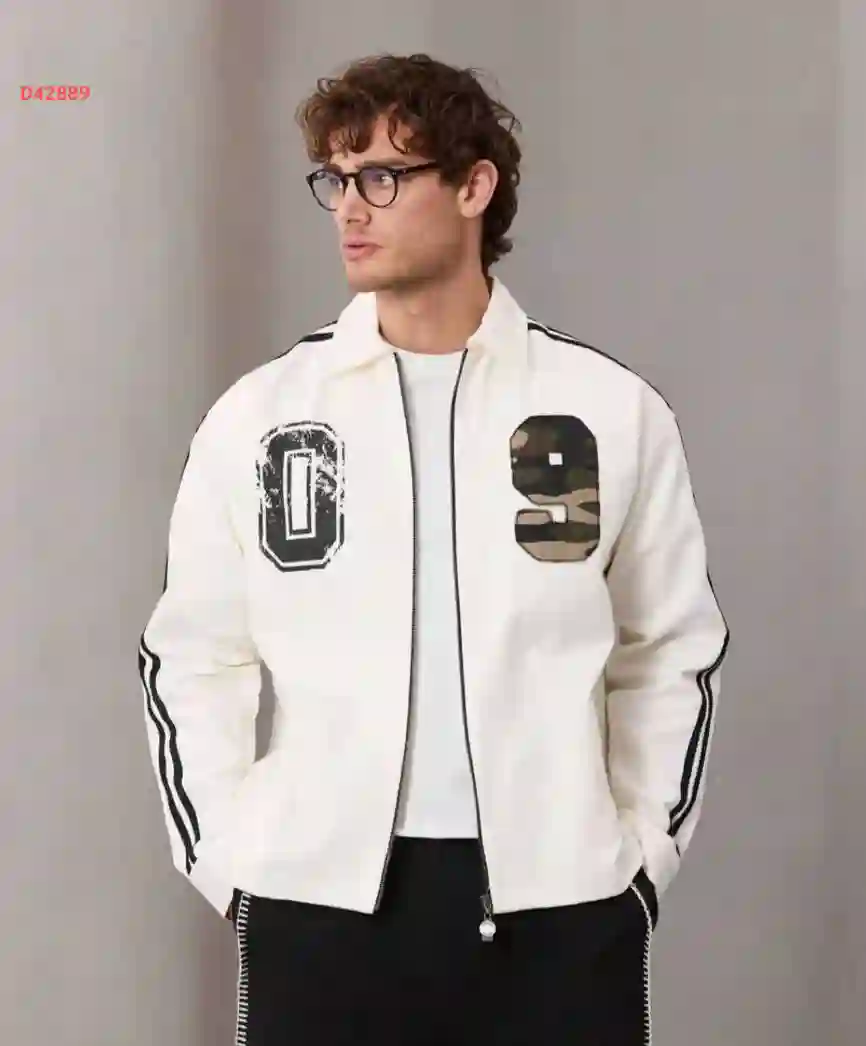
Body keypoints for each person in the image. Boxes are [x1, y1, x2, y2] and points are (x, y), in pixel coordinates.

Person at [138, 52, 729, 1046]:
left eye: (381, 176)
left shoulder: (604, 411)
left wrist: (635, 859)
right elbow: (191, 652)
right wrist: (233, 865)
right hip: (316, 906)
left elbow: (670, 646)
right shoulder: (262, 417)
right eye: (335, 178)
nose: (348, 207)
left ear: (472, 186)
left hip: (560, 910)